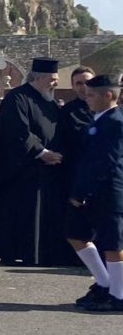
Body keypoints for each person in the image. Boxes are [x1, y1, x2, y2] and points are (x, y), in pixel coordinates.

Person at [0, 57, 65, 266]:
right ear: (38, 77)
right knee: (21, 215)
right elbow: (19, 132)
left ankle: (40, 254)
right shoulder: (16, 98)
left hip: (47, 170)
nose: (55, 83)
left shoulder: (48, 101)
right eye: (53, 79)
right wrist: (42, 153)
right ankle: (19, 252)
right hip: (21, 171)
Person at [67, 74, 123, 312]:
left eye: (91, 95)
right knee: (75, 233)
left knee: (113, 244)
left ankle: (118, 296)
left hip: (108, 191)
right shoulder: (99, 120)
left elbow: (106, 163)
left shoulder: (115, 122)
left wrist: (83, 191)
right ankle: (105, 283)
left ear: (107, 95)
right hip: (90, 191)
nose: (86, 99)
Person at [47, 67, 95, 262]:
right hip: (76, 173)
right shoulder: (67, 112)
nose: (84, 88)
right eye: (79, 83)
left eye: (87, 83)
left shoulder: (110, 110)